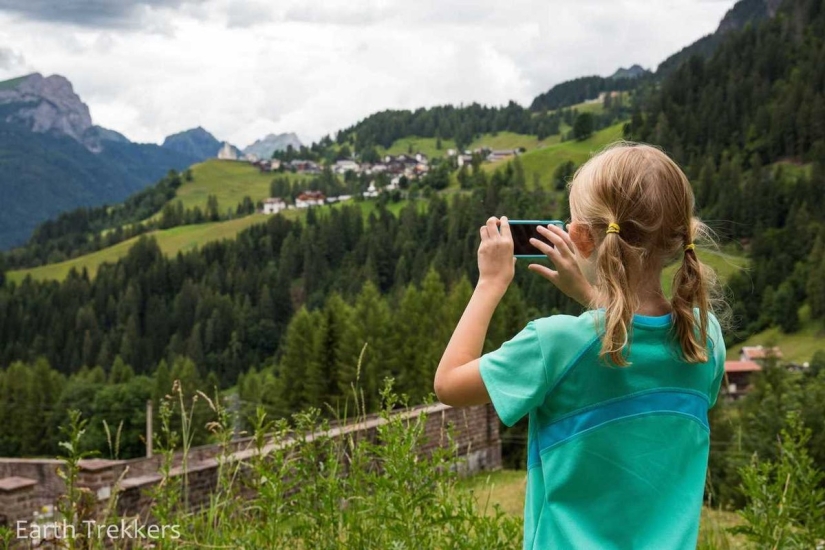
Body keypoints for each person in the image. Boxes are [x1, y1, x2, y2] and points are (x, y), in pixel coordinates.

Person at [433, 142, 727, 549]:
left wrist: (490, 283)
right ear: (680, 237)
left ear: (583, 239)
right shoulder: (704, 337)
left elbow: (448, 384)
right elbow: (638, 352)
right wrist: (594, 297)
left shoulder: (552, 344)